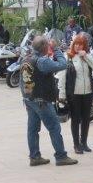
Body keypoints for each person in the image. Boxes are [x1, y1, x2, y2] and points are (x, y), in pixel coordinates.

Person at [20, 34, 78, 167]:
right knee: (54, 127)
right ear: (44, 47)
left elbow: (21, 82)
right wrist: (56, 49)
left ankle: (34, 157)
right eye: (47, 45)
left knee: (33, 129)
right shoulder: (42, 61)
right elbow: (63, 64)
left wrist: (25, 96)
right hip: (41, 100)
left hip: (29, 99)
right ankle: (61, 156)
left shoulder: (26, 59)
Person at [65, 33, 93, 155]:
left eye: (80, 44)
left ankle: (84, 142)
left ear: (84, 46)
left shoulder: (86, 57)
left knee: (86, 119)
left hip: (88, 92)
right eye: (76, 44)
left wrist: (86, 56)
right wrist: (63, 95)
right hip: (74, 94)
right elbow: (63, 77)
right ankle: (76, 144)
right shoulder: (69, 58)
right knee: (75, 119)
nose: (78, 47)